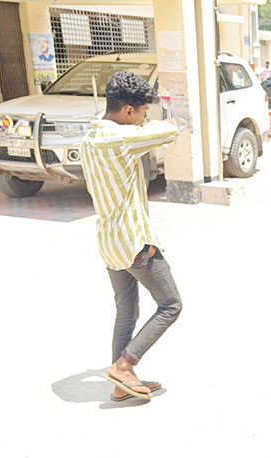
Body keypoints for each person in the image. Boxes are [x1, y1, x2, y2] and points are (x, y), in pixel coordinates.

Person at [80, 71, 183, 402]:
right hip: (135, 241)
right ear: (127, 111)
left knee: (126, 312)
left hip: (108, 240)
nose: (142, 121)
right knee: (171, 304)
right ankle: (124, 366)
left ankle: (119, 384)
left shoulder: (89, 136)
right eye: (141, 114)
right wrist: (168, 113)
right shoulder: (121, 138)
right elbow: (170, 130)